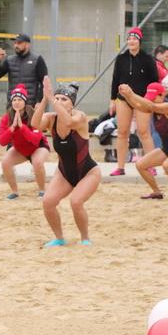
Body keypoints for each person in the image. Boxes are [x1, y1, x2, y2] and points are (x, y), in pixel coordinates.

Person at [32, 77, 100, 247]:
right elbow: (34, 124)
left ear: (72, 105)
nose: (59, 102)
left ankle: (85, 238)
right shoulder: (51, 119)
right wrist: (44, 99)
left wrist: (52, 99)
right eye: (57, 98)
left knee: (76, 202)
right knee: (48, 202)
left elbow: (69, 122)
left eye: (64, 99)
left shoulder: (80, 117)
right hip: (65, 173)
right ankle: (59, 238)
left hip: (88, 172)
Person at [119, 83, 168, 199]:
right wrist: (127, 96)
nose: (151, 99)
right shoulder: (152, 108)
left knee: (167, 165)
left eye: (154, 97)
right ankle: (157, 192)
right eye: (150, 97)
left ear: (162, 95)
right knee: (140, 165)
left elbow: (151, 105)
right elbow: (137, 105)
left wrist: (132, 93)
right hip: (167, 149)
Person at [108, 27, 159, 176]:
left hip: (142, 99)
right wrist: (112, 100)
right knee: (122, 132)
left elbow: (154, 81)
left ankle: (151, 165)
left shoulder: (148, 59)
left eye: (134, 39)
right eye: (129, 38)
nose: (131, 41)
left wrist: (150, 100)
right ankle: (120, 167)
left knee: (144, 132)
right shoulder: (121, 58)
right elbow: (115, 80)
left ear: (139, 41)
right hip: (123, 99)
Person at [0, 84, 49, 199]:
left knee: (37, 162)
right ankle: (15, 192)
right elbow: (2, 142)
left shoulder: (33, 114)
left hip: (38, 147)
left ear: (25, 102)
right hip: (21, 149)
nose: (16, 102)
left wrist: (22, 127)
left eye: (20, 100)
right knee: (5, 162)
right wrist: (12, 127)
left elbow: (36, 139)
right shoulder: (7, 118)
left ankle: (42, 191)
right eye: (14, 100)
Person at [0, 33, 48, 105]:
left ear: (27, 45)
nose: (16, 45)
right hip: (13, 104)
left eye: (19, 43)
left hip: (30, 105)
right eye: (15, 43)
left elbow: (44, 83)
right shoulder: (9, 60)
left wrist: (39, 101)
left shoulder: (37, 59)